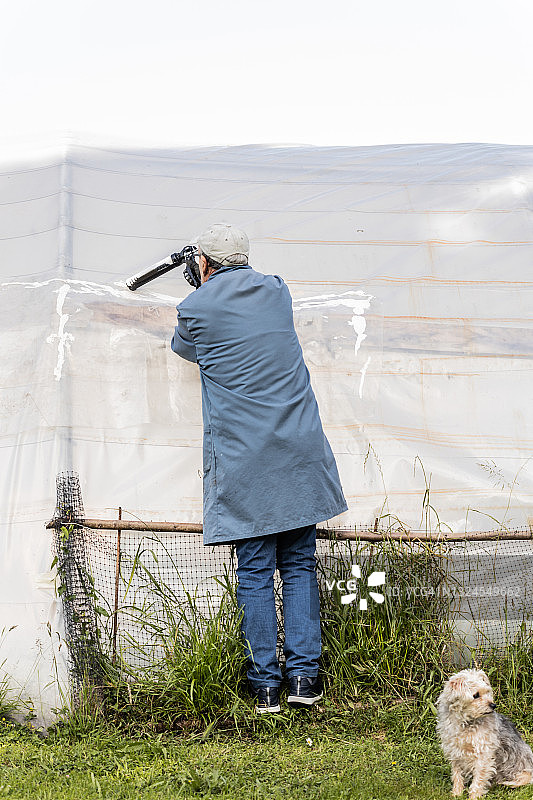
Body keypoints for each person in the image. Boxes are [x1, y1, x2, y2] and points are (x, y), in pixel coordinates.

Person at [171, 223, 347, 713]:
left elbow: (185, 349)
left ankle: (266, 685)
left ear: (203, 263)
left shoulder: (194, 308)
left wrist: (201, 285)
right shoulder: (277, 291)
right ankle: (305, 681)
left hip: (246, 459)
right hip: (297, 450)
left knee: (254, 571)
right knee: (299, 565)